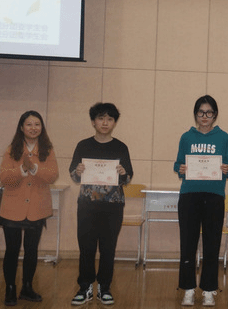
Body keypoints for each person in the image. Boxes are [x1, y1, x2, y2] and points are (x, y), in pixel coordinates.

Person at [69, 103, 134, 306]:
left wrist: (123, 173)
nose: (105, 123)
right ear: (93, 121)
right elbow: (74, 175)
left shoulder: (121, 147)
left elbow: (128, 177)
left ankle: (105, 288)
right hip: (87, 205)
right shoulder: (83, 145)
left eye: (110, 119)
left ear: (114, 123)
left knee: (108, 248)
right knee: (86, 247)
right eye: (101, 118)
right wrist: (78, 171)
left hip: (113, 206)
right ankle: (85, 287)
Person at [174, 95, 228, 307]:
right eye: (201, 112)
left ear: (215, 115)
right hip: (189, 195)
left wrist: (226, 169)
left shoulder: (223, 137)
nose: (205, 116)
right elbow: (177, 164)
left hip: (214, 196)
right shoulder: (186, 137)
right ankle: (188, 289)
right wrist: (181, 168)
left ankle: (209, 289)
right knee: (187, 243)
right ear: (195, 114)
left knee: (212, 244)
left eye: (209, 112)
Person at [0, 110, 59, 306]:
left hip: (37, 207)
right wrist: (22, 170)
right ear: (21, 127)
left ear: (42, 127)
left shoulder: (47, 150)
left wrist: (35, 168)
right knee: (12, 250)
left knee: (31, 250)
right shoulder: (11, 150)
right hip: (12, 207)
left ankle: (27, 287)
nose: (34, 128)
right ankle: (10, 289)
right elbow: (4, 178)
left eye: (37, 124)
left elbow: (52, 176)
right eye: (29, 124)